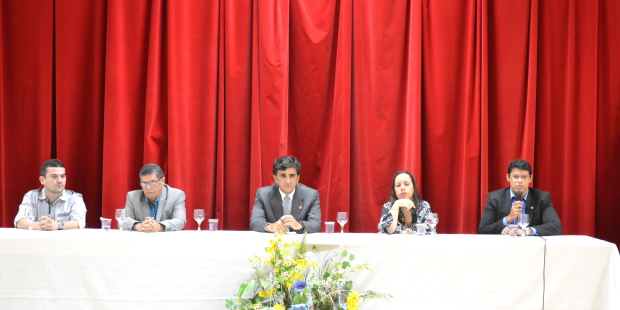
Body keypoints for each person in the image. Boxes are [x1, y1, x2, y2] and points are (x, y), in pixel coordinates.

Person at [479, 159, 562, 236]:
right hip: (504, 246)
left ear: (530, 178)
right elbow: (483, 229)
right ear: (508, 177)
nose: (519, 181)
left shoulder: (542, 198)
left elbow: (556, 226)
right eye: (515, 177)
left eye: (524, 177)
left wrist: (527, 231)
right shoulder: (495, 198)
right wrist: (508, 219)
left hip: (531, 247)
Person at [250, 156, 321, 233]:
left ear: (297, 178)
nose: (288, 181)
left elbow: (316, 224)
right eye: (283, 176)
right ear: (275, 178)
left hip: (300, 243)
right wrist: (270, 226)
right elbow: (255, 222)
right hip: (273, 242)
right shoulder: (263, 194)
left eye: (292, 176)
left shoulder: (311, 195)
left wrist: (299, 225)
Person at [14, 159, 87, 230]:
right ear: (42, 180)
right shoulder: (31, 196)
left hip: (65, 241)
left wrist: (57, 224)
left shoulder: (75, 198)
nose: (60, 181)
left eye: (62, 176)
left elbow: (79, 222)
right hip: (38, 241)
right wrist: (39, 225)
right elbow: (19, 221)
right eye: (54, 176)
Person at [122, 163, 186, 232]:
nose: (148, 187)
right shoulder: (133, 196)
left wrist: (160, 226)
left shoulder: (176, 195)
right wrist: (139, 226)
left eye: (153, 182)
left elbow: (180, 221)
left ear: (163, 181)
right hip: (141, 240)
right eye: (144, 183)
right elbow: (123, 220)